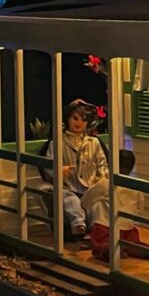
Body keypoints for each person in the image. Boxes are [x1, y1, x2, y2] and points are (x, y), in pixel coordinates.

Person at [57, 97, 110, 238]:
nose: (79, 123)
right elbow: (50, 163)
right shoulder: (59, 142)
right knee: (71, 201)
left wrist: (102, 178)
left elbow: (102, 163)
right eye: (75, 118)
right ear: (68, 119)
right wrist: (59, 171)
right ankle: (78, 224)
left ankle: (96, 228)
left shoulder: (94, 143)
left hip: (90, 187)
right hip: (69, 187)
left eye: (84, 120)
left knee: (97, 204)